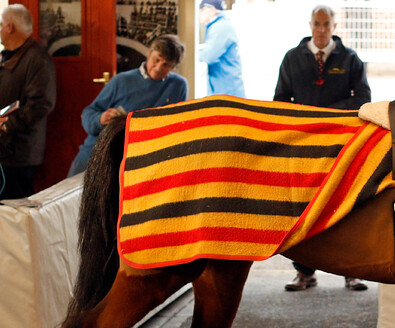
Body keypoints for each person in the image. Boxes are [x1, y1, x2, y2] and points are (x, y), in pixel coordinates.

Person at [273, 5, 371, 291]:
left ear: (334, 27)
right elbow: (280, 100)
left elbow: (362, 98)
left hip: (340, 144)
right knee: (303, 206)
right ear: (310, 24)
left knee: (346, 204)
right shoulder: (293, 59)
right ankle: (304, 272)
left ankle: (351, 271)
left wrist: (328, 114)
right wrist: (304, 119)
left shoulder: (351, 59)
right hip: (303, 146)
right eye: (317, 23)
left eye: (326, 24)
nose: (321, 29)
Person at [67, 35, 187, 177]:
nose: (158, 67)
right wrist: (100, 118)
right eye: (157, 59)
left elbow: (178, 125)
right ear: (149, 54)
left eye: (166, 64)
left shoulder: (178, 86)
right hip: (99, 151)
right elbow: (88, 113)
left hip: (139, 158)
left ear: (172, 67)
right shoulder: (121, 81)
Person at [0, 5, 55, 200]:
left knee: (16, 211)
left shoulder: (37, 59)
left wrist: (6, 125)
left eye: (0, 25)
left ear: (10, 27)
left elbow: (41, 104)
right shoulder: (8, 56)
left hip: (20, 151)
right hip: (6, 149)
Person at [198, 0, 245, 97]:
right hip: (223, 89)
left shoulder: (220, 28)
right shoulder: (217, 26)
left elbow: (209, 56)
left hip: (228, 91)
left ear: (213, 10)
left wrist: (191, 53)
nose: (200, 13)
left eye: (203, 9)